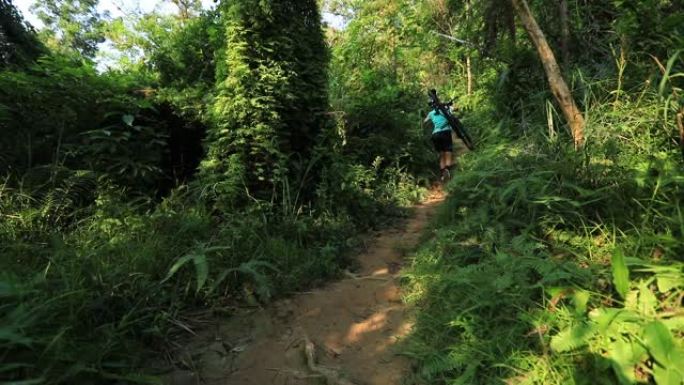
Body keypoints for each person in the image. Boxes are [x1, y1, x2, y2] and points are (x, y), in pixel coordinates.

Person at [424, 102, 455, 181]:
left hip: (435, 134)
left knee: (441, 154)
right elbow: (454, 109)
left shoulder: (431, 113)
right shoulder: (445, 110)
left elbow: (425, 122)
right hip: (445, 132)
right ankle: (447, 169)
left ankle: (442, 175)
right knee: (448, 152)